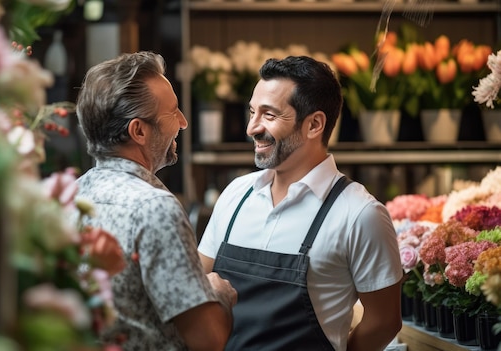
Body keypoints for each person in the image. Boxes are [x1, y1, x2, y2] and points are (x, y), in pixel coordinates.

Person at [198, 55, 403, 351]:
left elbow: (384, 322)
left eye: (269, 115)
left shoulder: (360, 214)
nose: (252, 128)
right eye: (252, 112)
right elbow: (199, 284)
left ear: (314, 124)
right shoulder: (234, 195)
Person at [74, 51, 237, 351]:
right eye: (173, 111)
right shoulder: (155, 208)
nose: (184, 122)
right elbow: (209, 340)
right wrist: (218, 295)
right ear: (138, 130)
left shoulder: (68, 196)